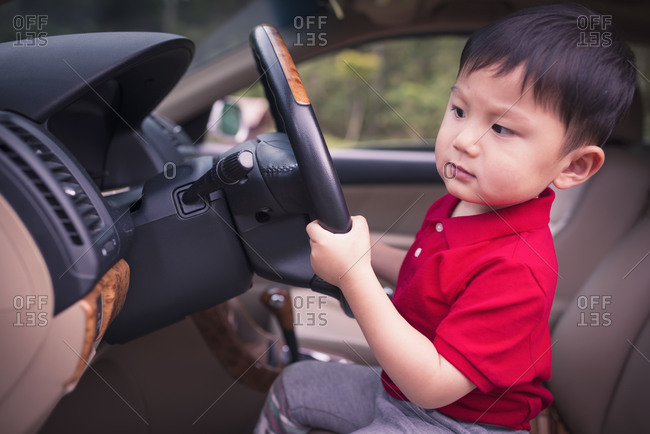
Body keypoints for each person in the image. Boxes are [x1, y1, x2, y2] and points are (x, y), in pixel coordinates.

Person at [255, 3, 637, 433]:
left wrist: (353, 275)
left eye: (502, 129)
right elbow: (428, 275)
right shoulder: (460, 205)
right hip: (398, 392)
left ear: (573, 167)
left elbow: (432, 386)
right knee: (296, 385)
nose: (464, 141)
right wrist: (363, 253)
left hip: (459, 422)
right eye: (459, 110)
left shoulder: (518, 267)